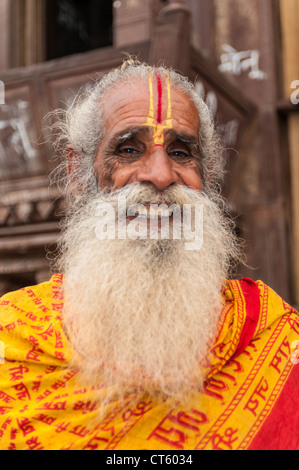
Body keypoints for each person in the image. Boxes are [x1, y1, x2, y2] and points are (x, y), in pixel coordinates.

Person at [0, 58, 298, 451]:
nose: (160, 175)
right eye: (127, 149)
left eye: (180, 153)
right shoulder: (14, 340)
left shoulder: (271, 334)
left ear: (205, 175)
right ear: (77, 173)